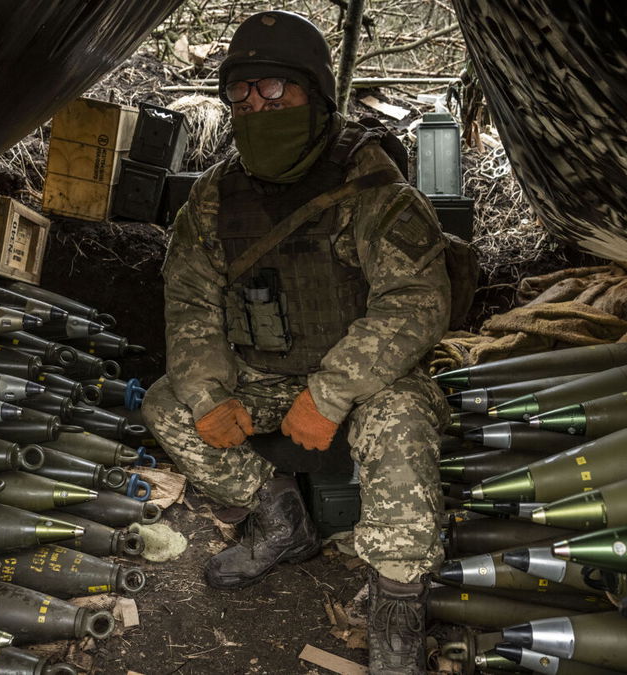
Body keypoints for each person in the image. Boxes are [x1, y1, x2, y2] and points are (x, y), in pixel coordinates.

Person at [141, 10, 451, 674]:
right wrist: (207, 393)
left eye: (275, 90)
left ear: (315, 94)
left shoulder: (371, 187)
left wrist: (331, 393)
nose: (257, 105)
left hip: (366, 384)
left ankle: (397, 599)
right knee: (169, 403)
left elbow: (417, 302)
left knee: (400, 422)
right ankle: (282, 520)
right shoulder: (213, 199)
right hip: (267, 376)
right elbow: (190, 304)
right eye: (242, 92)